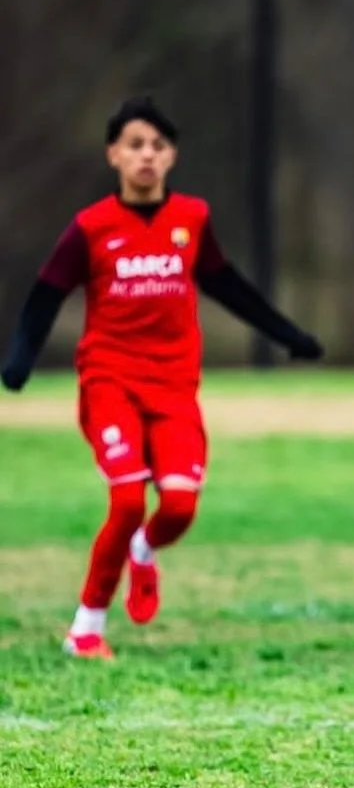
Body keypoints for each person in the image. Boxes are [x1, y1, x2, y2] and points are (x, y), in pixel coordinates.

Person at [1, 97, 323, 658]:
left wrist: (287, 335)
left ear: (171, 156)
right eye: (134, 145)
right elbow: (45, 294)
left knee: (177, 507)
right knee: (127, 499)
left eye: (157, 145)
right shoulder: (91, 227)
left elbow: (228, 286)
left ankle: (143, 553)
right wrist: (20, 359)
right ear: (114, 155)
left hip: (174, 388)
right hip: (110, 382)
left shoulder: (191, 220)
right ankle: (86, 628)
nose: (146, 156)